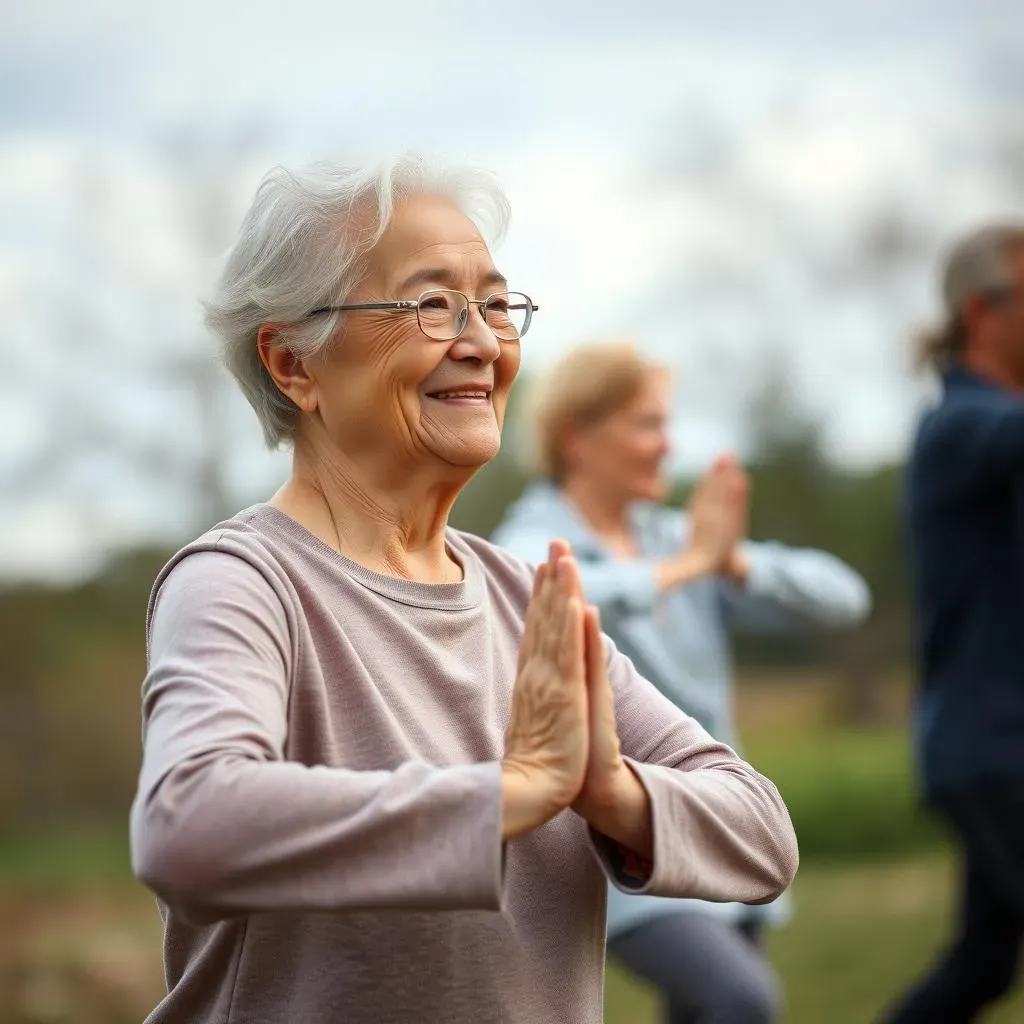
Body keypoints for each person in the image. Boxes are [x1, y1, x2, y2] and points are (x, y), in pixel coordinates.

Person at [128, 157, 798, 1024]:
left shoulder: (530, 598)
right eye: (432, 304)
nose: (482, 341)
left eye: (495, 304)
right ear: (294, 361)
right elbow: (190, 830)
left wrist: (606, 791)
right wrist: (513, 792)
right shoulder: (245, 583)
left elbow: (762, 831)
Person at [492, 341, 870, 1024]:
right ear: (578, 437)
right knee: (739, 1001)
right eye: (647, 425)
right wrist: (678, 571)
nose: (668, 445)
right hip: (617, 854)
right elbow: (530, 595)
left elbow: (844, 598)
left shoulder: (674, 540)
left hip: (716, 831)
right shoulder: (531, 539)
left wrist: (730, 566)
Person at [880, 224, 1024, 1024]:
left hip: (1001, 746)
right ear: (983, 312)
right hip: (991, 748)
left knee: (983, 964)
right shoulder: (957, 430)